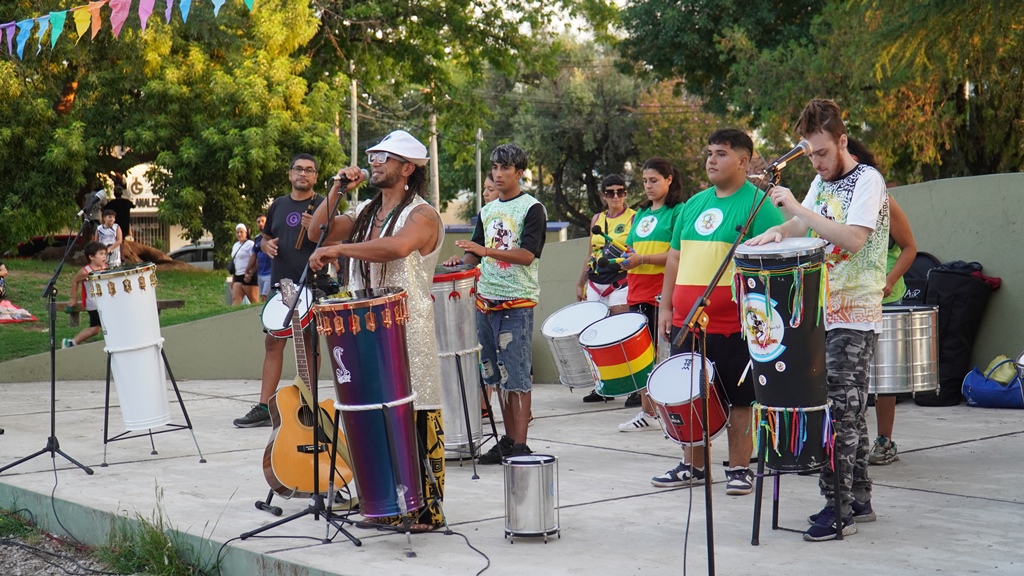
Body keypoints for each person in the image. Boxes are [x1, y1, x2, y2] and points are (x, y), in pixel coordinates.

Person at [748, 99, 889, 541]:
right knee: (850, 410)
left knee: (837, 412)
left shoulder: (868, 180)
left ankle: (838, 508)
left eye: (823, 153)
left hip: (855, 312)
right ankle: (859, 498)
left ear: (842, 141)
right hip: (822, 310)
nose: (817, 162)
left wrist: (798, 210)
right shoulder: (820, 182)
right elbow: (801, 225)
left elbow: (852, 237)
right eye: (810, 154)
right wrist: (777, 230)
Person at [308, 129, 446, 531]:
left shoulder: (422, 214)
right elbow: (316, 231)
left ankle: (425, 511)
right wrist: (337, 188)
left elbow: (397, 248)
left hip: (407, 330)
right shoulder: (366, 214)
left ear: (407, 169)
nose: (374, 163)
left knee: (413, 413)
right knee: (369, 412)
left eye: (384, 158)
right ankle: (383, 503)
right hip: (365, 331)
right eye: (373, 156)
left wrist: (339, 249)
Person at [653, 130, 785, 496]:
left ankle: (739, 468)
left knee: (739, 400)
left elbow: (777, 257)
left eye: (721, 153)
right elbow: (674, 258)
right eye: (710, 152)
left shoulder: (758, 205)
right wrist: (665, 306)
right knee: (690, 396)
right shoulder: (693, 204)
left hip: (735, 325)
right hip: (687, 322)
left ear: (743, 161)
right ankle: (693, 466)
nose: (712, 159)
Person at [443, 143, 546, 465]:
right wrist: (460, 261)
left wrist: (485, 251)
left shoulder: (532, 208)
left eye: (506, 168)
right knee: (495, 374)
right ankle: (508, 440)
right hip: (485, 301)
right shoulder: (487, 211)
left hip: (516, 303)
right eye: (495, 168)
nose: (498, 174)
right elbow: (474, 253)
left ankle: (521, 444)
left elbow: (527, 255)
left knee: (517, 375)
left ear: (519, 172)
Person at [232, 154, 326, 428]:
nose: (303, 174)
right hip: (281, 284)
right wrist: (265, 245)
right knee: (273, 343)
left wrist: (314, 230)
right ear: (290, 173)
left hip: (312, 283)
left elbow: (336, 241)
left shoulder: (323, 204)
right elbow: (265, 236)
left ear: (316, 176)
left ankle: (308, 404)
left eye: (309, 170)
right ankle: (265, 406)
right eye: (298, 169)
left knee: (309, 344)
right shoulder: (278, 204)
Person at [846, 138, 917, 466]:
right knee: (848, 375)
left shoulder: (883, 199)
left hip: (885, 298)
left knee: (883, 376)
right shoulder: (829, 200)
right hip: (847, 300)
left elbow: (910, 248)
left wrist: (888, 281)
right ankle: (848, 442)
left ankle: (884, 441)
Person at [615, 159, 684, 431]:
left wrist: (642, 258)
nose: (648, 186)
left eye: (654, 180)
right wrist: (627, 258)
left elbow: (677, 254)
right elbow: (632, 248)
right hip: (636, 292)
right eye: (645, 181)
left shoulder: (678, 211)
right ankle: (648, 412)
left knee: (664, 358)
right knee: (642, 358)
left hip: (661, 294)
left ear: (669, 179)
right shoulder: (641, 213)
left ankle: (670, 411)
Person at [577, 174, 638, 406]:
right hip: (595, 282)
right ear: (603, 196)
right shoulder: (597, 219)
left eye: (620, 192)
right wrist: (580, 282)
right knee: (595, 336)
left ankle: (635, 388)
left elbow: (635, 251)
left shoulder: (634, 218)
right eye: (610, 192)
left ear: (625, 194)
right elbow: (590, 253)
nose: (615, 196)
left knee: (622, 334)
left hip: (620, 281)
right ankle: (603, 386)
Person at [62, 242, 108, 348]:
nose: (104, 256)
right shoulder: (85, 271)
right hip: (93, 303)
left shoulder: (105, 267)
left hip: (104, 301)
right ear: (91, 257)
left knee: (95, 329)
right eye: (101, 254)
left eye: (105, 254)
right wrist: (74, 298)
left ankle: (71, 343)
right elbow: (75, 281)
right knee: (107, 324)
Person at [245, 215, 273, 302]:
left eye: (263, 221)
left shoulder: (273, 236)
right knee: (262, 298)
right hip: (260, 273)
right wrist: (248, 271)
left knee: (265, 297)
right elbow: (254, 256)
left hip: (270, 273)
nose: (260, 224)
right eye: (258, 222)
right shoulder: (257, 238)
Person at [229, 223, 259, 305]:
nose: (239, 234)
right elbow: (235, 262)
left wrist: (251, 273)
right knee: (235, 301)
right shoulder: (235, 245)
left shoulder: (250, 244)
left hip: (248, 276)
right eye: (237, 232)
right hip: (238, 276)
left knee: (254, 302)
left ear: (246, 233)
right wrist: (233, 279)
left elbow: (256, 260)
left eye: (241, 232)